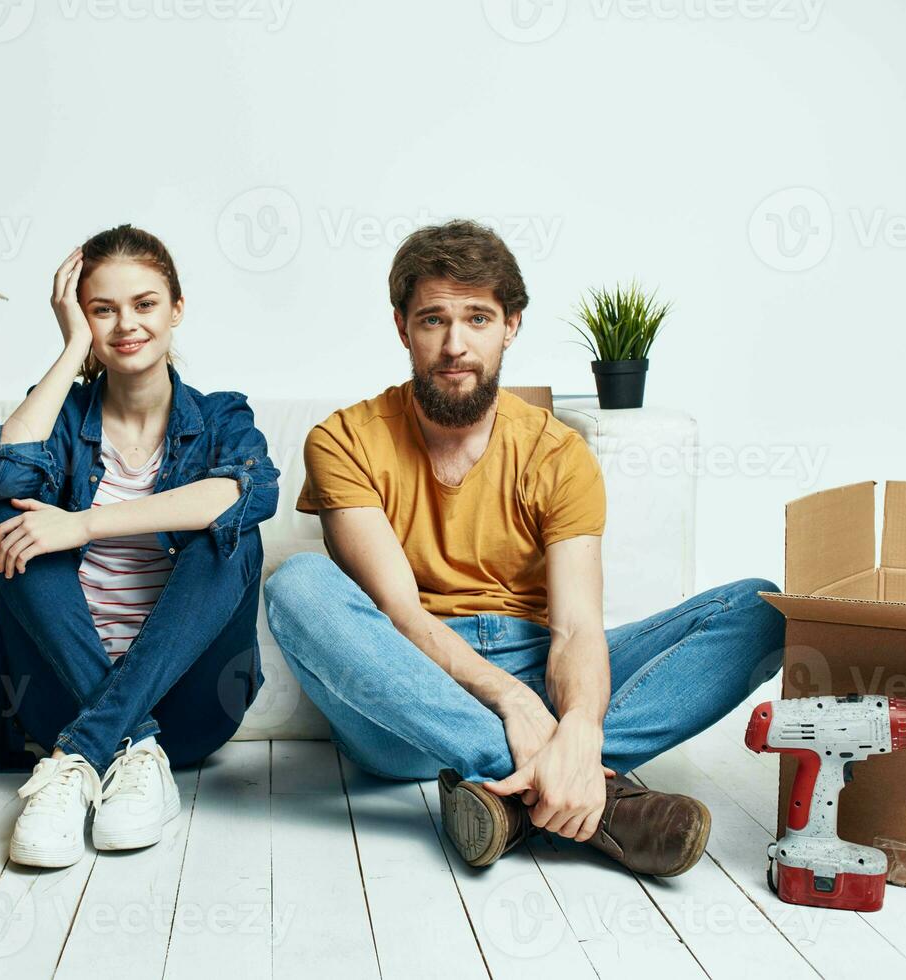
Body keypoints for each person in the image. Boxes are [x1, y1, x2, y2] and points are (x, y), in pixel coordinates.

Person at [263, 220, 785, 876]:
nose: (455, 345)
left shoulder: (558, 454)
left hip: (540, 668)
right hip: (407, 698)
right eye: (433, 320)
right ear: (402, 328)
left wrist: (578, 727)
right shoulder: (343, 440)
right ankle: (600, 801)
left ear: (510, 325)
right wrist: (511, 702)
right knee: (297, 583)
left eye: (477, 318)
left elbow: (573, 629)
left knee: (762, 607)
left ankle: (516, 792)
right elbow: (399, 615)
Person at [0, 225, 278, 868]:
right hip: (58, 697)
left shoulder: (220, 416)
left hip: (191, 704)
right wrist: (71, 347)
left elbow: (245, 496)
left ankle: (82, 753)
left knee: (232, 538)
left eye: (144, 304)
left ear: (177, 309)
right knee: (9, 514)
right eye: (102, 309)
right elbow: (5, 469)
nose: (125, 324)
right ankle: (127, 750)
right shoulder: (61, 414)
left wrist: (82, 525)